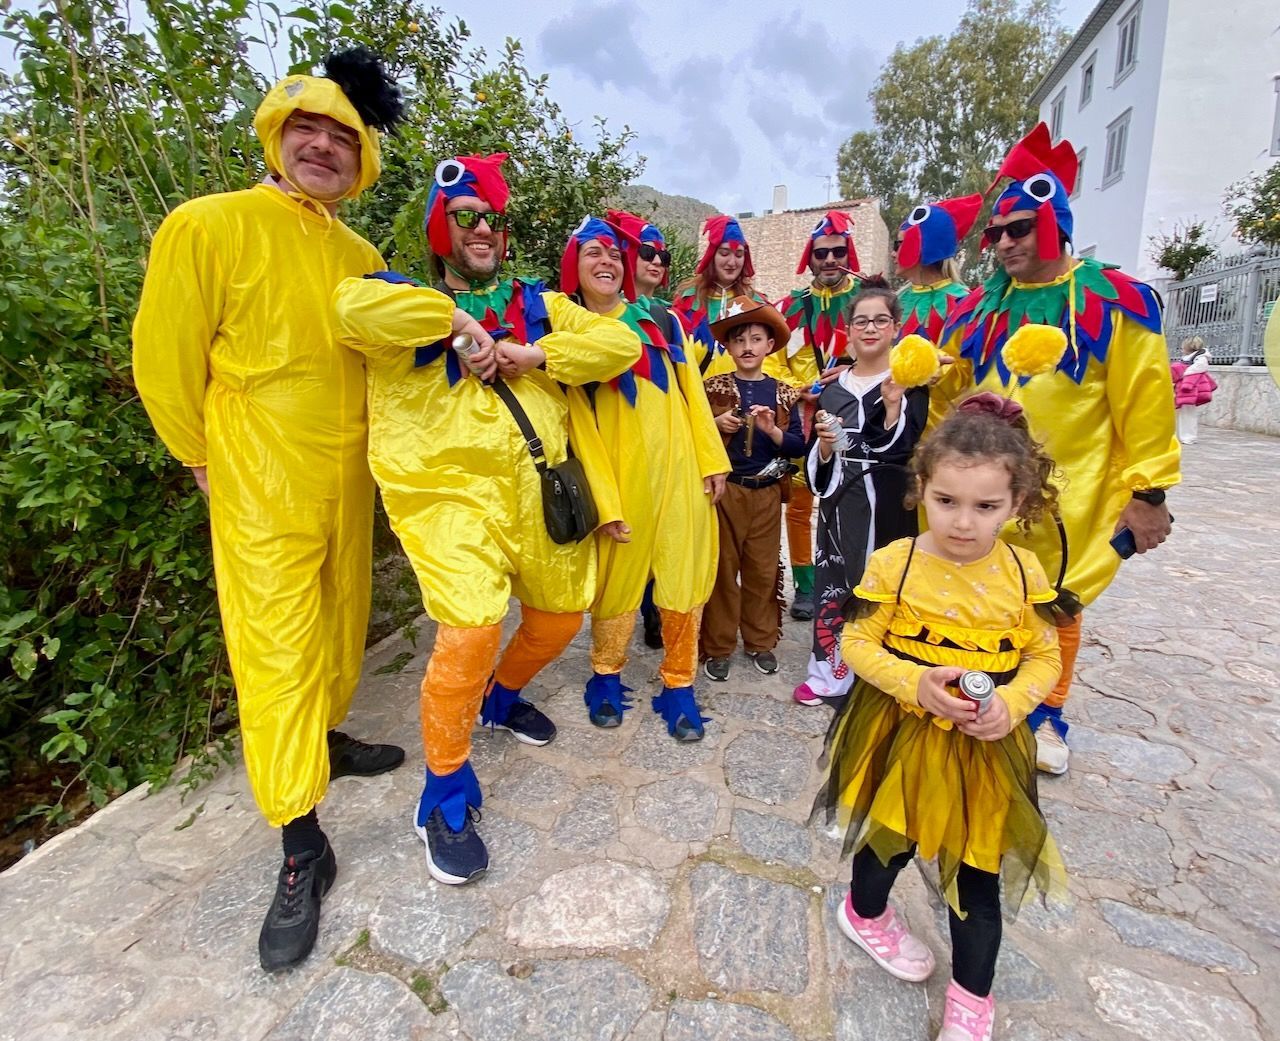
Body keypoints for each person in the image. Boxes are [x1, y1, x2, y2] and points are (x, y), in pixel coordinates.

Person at [133, 50, 407, 972]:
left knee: (339, 617)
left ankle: (324, 738)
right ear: (275, 136)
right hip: (258, 476)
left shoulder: (363, 258)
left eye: (342, 136)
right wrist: (199, 455)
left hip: (348, 472)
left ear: (362, 158)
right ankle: (300, 841)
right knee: (276, 643)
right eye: (307, 130)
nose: (322, 147)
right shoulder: (207, 225)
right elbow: (164, 356)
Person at [332, 157, 641, 886]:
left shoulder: (537, 303)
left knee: (560, 617)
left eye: (493, 219)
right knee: (471, 628)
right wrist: (457, 320)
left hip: (537, 491)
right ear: (439, 228)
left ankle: (500, 699)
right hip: (445, 495)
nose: (482, 230)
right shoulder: (397, 294)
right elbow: (349, 311)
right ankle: (443, 790)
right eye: (466, 216)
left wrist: (534, 353)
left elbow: (621, 344)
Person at [817, 394, 1066, 1041]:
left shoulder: (1024, 572)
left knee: (978, 876)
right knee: (888, 842)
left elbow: (1044, 656)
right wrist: (913, 683)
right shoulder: (895, 564)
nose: (962, 522)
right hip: (902, 732)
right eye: (946, 501)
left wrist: (1013, 703)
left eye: (986, 507)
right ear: (921, 487)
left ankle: (971, 998)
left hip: (986, 745)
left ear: (1017, 502)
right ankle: (864, 914)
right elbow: (856, 643)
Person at [938, 122, 1179, 775]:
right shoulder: (978, 307)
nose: (1004, 242)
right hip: (986, 488)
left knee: (1057, 599)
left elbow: (1146, 402)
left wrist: (1149, 492)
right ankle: (983, 691)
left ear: (1055, 223)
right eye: (996, 233)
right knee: (985, 591)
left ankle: (1048, 712)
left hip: (1073, 490)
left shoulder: (1116, 301)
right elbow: (950, 389)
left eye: (1019, 228)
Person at [561, 216, 729, 741]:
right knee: (618, 580)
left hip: (680, 469)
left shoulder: (662, 318)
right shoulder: (566, 333)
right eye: (593, 253)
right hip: (619, 473)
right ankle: (605, 675)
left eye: (615, 253)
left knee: (683, 572)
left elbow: (691, 390)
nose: (607, 261)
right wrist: (604, 500)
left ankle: (679, 681)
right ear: (573, 266)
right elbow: (577, 424)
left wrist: (711, 459)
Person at [793, 280, 928, 709]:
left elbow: (904, 449)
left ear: (896, 327)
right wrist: (825, 448)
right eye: (861, 321)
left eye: (880, 320)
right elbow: (817, 451)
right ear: (848, 330)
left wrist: (892, 405)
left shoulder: (911, 384)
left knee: (883, 583)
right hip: (839, 500)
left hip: (886, 500)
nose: (870, 328)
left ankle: (879, 675)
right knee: (835, 580)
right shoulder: (832, 389)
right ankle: (829, 672)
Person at [700, 298, 805, 680]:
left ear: (769, 345)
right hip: (725, 492)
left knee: (762, 570)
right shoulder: (711, 389)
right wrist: (715, 424)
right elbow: (691, 434)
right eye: (739, 339)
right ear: (728, 346)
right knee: (722, 571)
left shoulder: (784, 393)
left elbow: (798, 446)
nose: (747, 346)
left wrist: (772, 431)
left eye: (756, 339)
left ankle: (760, 641)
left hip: (766, 492)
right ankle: (718, 646)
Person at [766, 210, 864, 622]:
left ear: (849, 254)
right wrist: (797, 389)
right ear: (810, 257)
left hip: (857, 416)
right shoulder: (791, 307)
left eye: (837, 251)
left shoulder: (867, 301)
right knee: (799, 508)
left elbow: (887, 351)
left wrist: (854, 374)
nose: (829, 260)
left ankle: (855, 584)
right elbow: (771, 361)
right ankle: (806, 587)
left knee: (853, 501)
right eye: (821, 253)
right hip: (804, 420)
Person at [672, 214, 765, 377]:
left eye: (739, 255)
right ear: (712, 256)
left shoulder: (756, 305)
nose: (732, 262)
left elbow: (769, 362)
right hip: (693, 391)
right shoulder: (687, 302)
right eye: (724, 253)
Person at [894, 194, 982, 345]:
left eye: (898, 245)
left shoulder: (962, 303)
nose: (893, 253)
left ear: (924, 247)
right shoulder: (894, 301)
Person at [1171, 336, 1215, 444]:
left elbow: (1194, 370)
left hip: (1191, 389)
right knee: (1183, 413)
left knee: (1188, 413)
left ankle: (1188, 437)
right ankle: (1182, 435)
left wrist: (1182, 373)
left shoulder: (1200, 358)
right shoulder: (1193, 358)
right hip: (1186, 389)